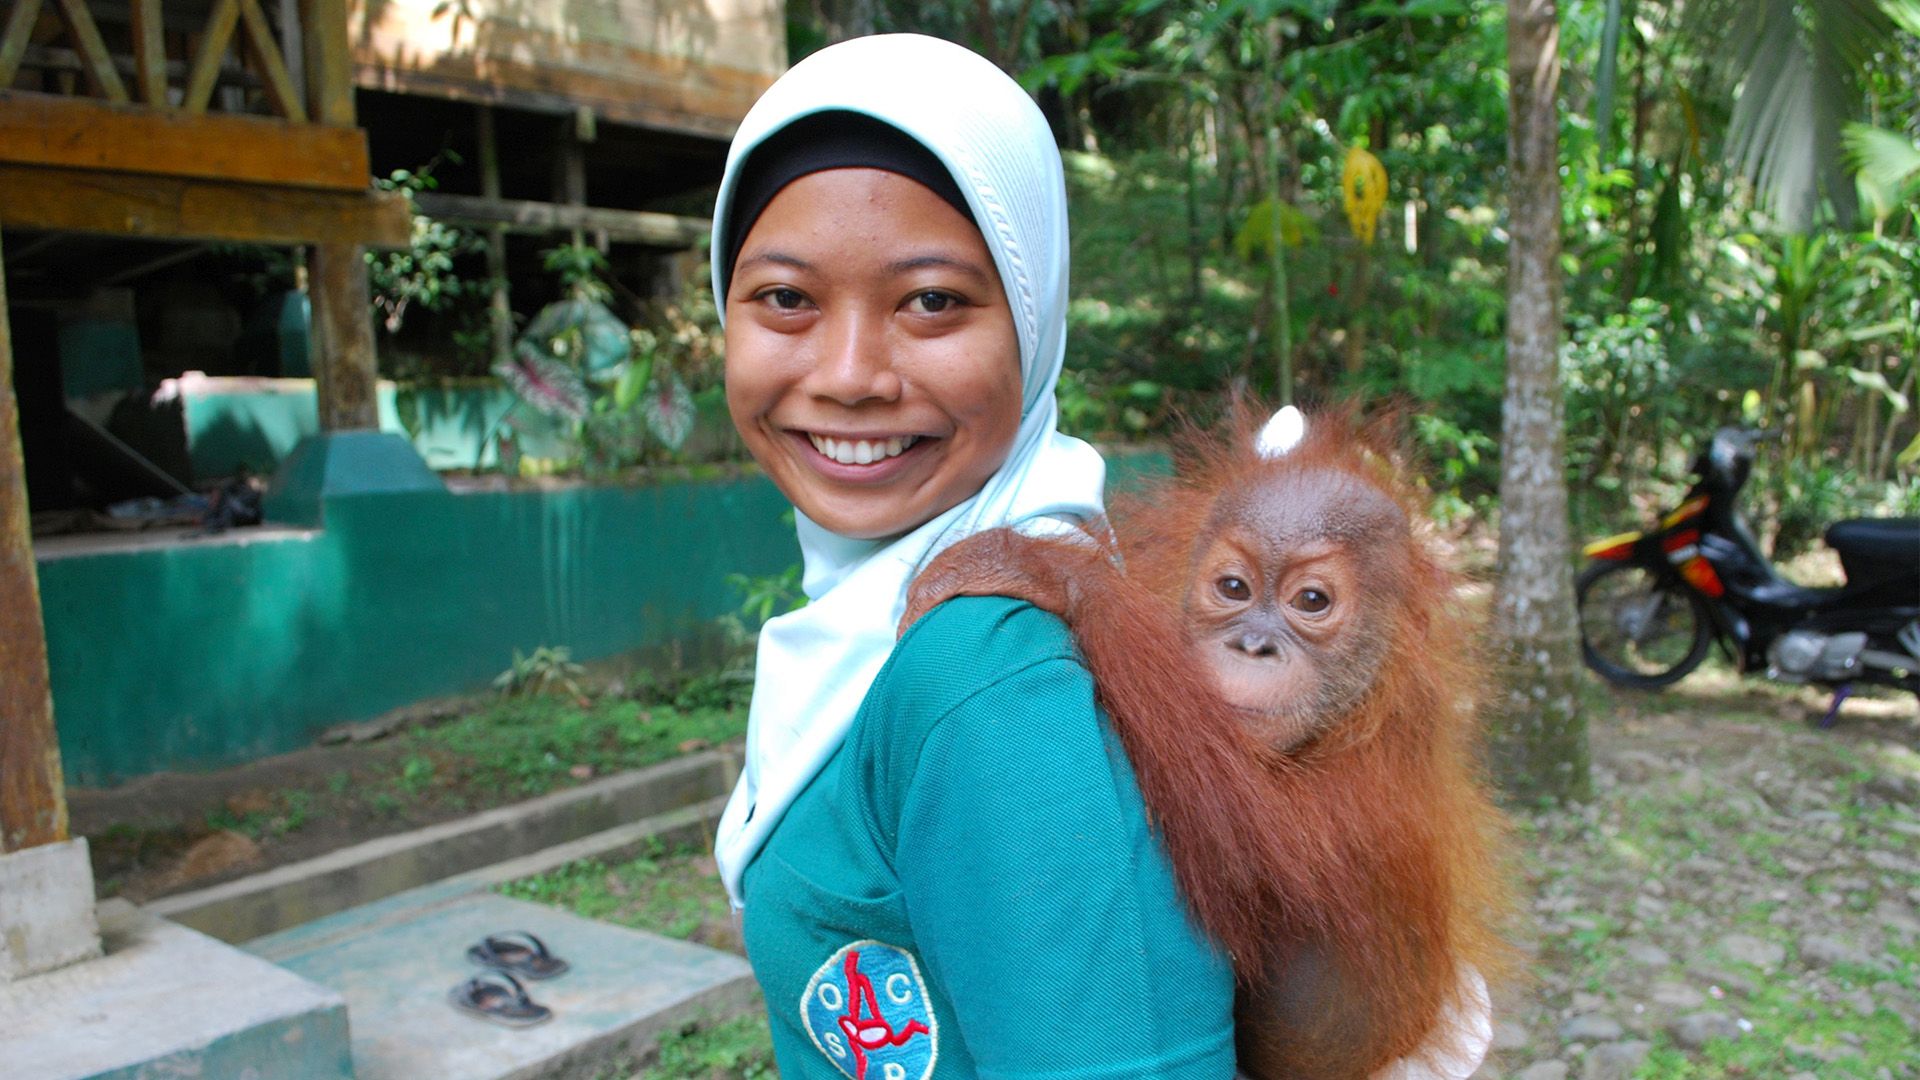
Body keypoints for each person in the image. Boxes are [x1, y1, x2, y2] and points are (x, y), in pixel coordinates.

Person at [709, 33, 1490, 1080]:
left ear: (1033, 318)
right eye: (786, 297)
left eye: (934, 298)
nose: (849, 375)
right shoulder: (902, 619)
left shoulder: (994, 669)